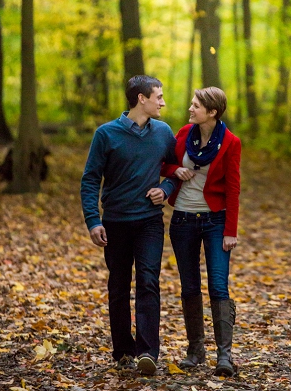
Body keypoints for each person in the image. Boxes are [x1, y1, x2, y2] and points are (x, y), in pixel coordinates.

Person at [80, 75, 178, 376]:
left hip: (149, 221)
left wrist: (167, 188)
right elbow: (90, 179)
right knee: (119, 286)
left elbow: (176, 169)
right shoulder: (106, 134)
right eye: (158, 96)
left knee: (148, 281)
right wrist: (93, 221)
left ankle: (148, 352)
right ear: (141, 99)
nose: (162, 102)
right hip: (116, 222)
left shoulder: (163, 132)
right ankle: (123, 352)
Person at [160, 87, 241, 377]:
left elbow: (233, 188)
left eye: (196, 105)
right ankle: (195, 350)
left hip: (215, 222)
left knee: (219, 287)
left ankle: (224, 356)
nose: (190, 108)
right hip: (182, 220)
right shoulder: (183, 133)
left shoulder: (231, 142)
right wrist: (174, 171)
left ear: (212, 112)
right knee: (189, 286)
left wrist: (230, 230)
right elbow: (164, 162)